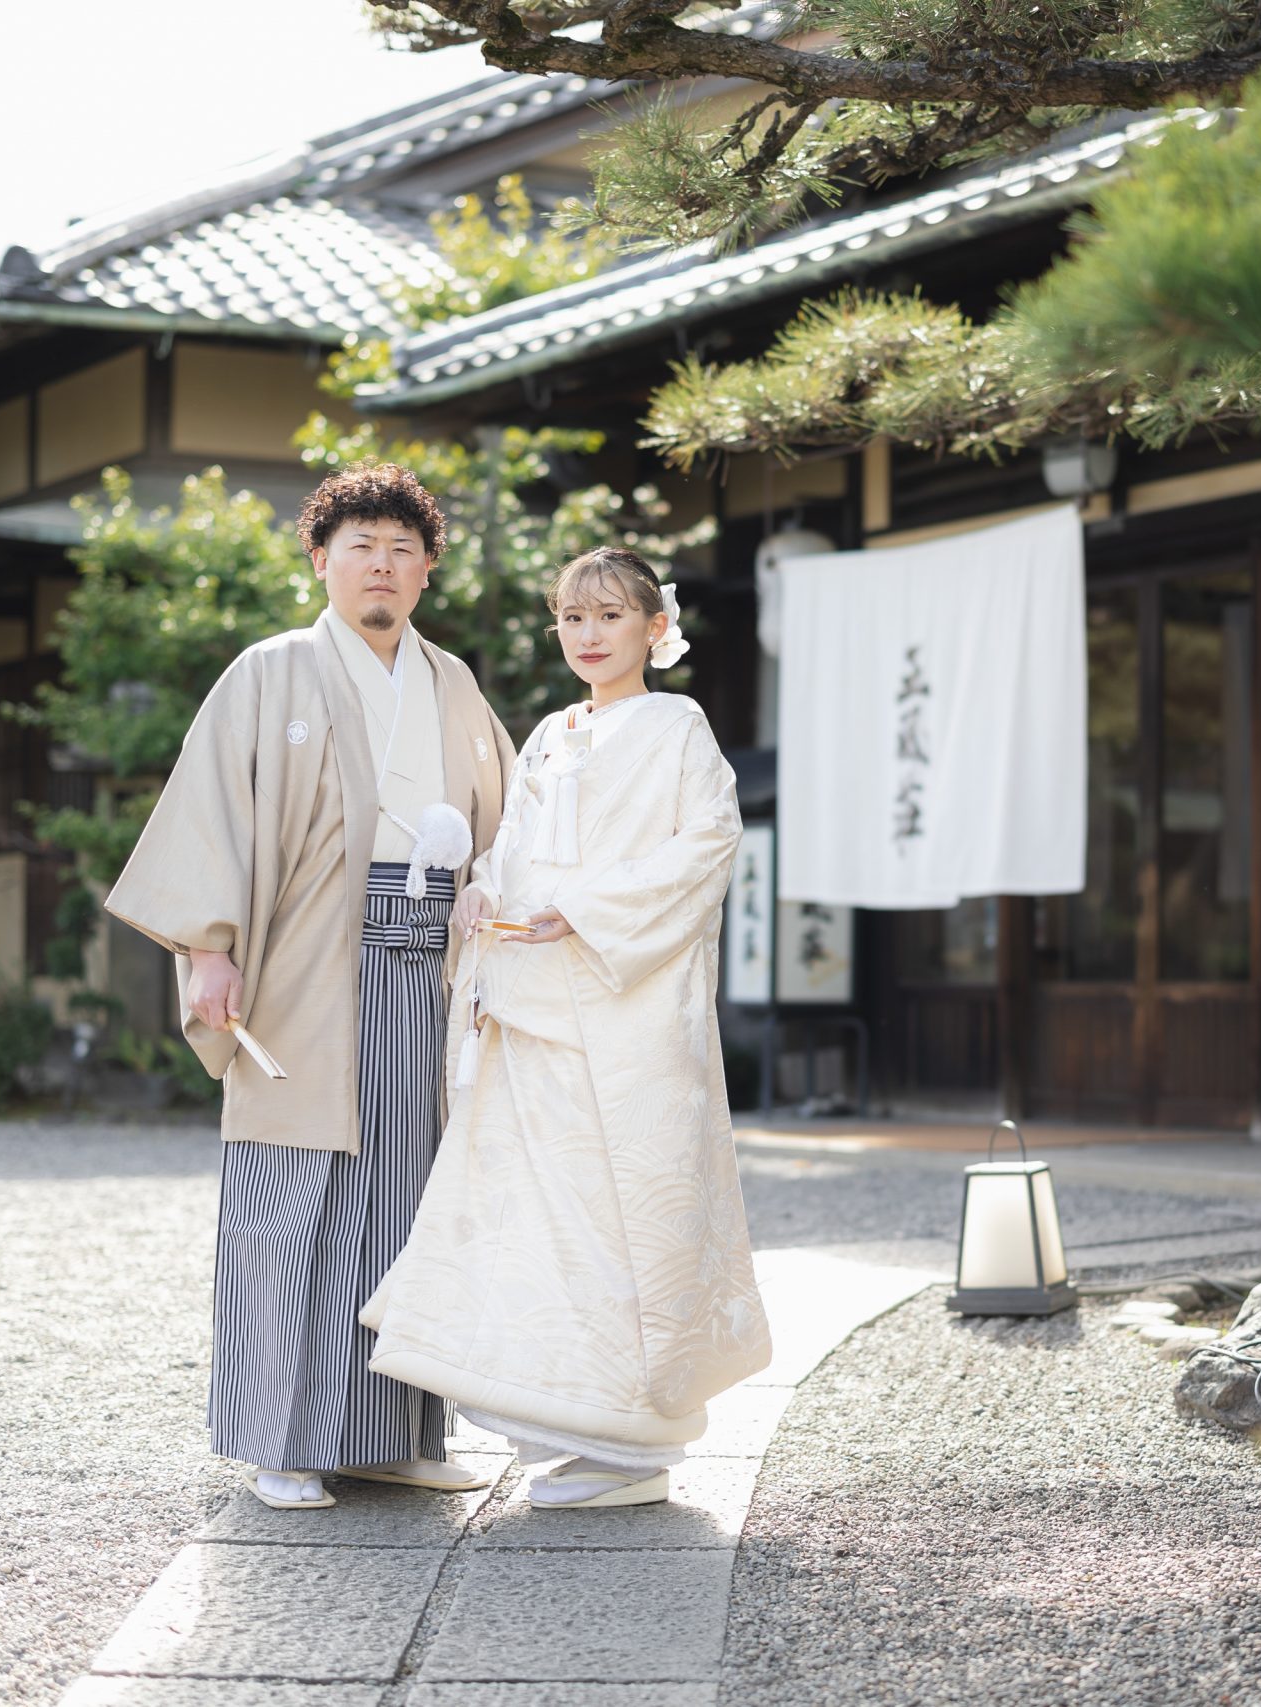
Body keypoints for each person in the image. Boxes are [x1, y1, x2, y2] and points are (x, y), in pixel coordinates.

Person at [105, 463, 515, 1511]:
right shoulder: (270, 672)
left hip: (428, 964)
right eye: (359, 547)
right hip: (305, 963)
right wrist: (207, 948)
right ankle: (277, 1438)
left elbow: (509, 826)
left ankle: (396, 1432)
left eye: (401, 549)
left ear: (426, 571)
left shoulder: (453, 685)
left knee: (412, 1195)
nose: (380, 565)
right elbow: (213, 815)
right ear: (321, 560)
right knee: (292, 1199)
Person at [362, 545, 772, 1510]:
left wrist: (583, 909)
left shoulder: (677, 727)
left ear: (654, 628)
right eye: (572, 619)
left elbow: (708, 840)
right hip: (537, 998)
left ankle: (634, 1439)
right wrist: (484, 894)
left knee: (617, 1213)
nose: (588, 636)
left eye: (610, 617)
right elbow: (514, 844)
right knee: (542, 1214)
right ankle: (566, 1417)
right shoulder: (549, 733)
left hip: (627, 1011)